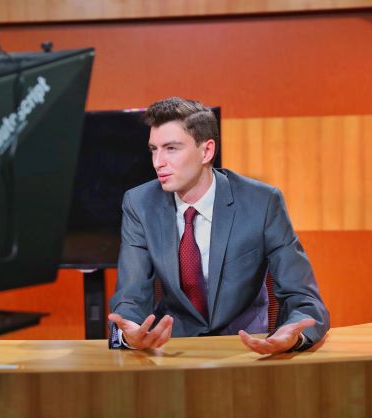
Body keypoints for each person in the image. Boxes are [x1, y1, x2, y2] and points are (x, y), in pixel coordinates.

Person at [108, 97, 329, 353]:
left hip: (246, 348)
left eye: (171, 148)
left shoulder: (262, 202)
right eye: (153, 150)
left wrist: (293, 335)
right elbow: (130, 296)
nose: (158, 162)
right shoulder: (140, 204)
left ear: (207, 151)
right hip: (173, 349)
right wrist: (129, 334)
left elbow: (303, 298)